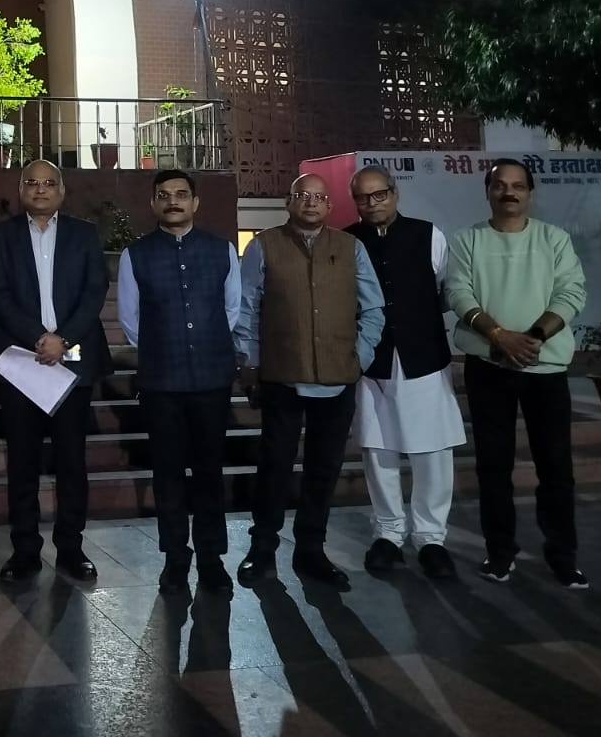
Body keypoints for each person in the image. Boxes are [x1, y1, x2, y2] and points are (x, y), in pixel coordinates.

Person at [236, 173, 385, 591]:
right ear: (289, 202)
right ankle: (262, 549)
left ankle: (311, 550)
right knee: (275, 467)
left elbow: (374, 309)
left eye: (319, 197)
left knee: (324, 468)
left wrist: (360, 357)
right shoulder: (264, 245)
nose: (311, 202)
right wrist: (250, 363)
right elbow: (246, 309)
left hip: (338, 377)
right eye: (302, 195)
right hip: (281, 376)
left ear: (330, 206)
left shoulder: (351, 247)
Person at [445, 158, 589, 588]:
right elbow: (458, 292)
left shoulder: (554, 239)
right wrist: (499, 336)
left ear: (530, 192)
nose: (509, 192)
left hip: (545, 367)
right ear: (488, 191)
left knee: (556, 467)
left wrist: (533, 338)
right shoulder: (468, 240)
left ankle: (562, 556)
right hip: (489, 366)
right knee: (494, 467)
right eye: (500, 185)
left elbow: (571, 292)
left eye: (518, 186)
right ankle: (499, 553)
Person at [0, 160, 112, 583]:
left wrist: (64, 338)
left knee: (71, 461)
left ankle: (72, 549)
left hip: (71, 362)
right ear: (21, 189)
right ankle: (25, 551)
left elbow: (95, 290)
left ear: (62, 190)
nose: (40, 189)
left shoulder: (84, 234)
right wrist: (39, 337)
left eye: (49, 183)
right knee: (22, 462)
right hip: (21, 362)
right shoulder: (2, 236)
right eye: (32, 183)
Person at [118, 170, 242, 596]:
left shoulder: (222, 250)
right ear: (153, 203)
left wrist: (202, 345)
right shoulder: (135, 255)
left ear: (195, 202)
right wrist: (167, 349)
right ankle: (175, 558)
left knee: (209, 472)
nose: (173, 201)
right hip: (161, 382)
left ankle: (211, 559)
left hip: (211, 379)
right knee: (167, 474)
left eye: (181, 194)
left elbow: (231, 310)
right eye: (164, 195)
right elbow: (131, 320)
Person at [346, 167, 463, 580]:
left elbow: (447, 291)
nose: (372, 203)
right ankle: (388, 533)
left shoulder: (428, 235)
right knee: (378, 449)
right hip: (371, 359)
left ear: (395, 194)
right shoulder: (346, 241)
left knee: (433, 452)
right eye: (363, 197)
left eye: (379, 194)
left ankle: (431, 537)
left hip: (423, 355)